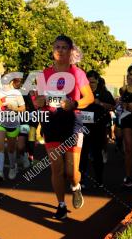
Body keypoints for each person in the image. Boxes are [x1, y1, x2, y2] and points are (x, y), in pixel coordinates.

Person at [35, 36, 95, 219]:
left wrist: (74, 104)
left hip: (72, 122)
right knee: (57, 168)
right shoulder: (44, 74)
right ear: (53, 50)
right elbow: (37, 100)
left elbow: (89, 98)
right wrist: (41, 101)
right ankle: (61, 204)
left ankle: (76, 187)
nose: (60, 50)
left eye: (64, 47)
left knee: (71, 171)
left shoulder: (77, 73)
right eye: (57, 47)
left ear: (70, 51)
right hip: (52, 121)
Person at [79, 71, 115, 188]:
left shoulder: (104, 93)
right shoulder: (81, 93)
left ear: (97, 81)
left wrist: (100, 103)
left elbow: (113, 106)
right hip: (83, 128)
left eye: (93, 82)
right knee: (82, 155)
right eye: (88, 82)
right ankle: (81, 180)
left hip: (98, 128)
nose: (91, 84)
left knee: (97, 155)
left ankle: (99, 181)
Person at [0, 70, 26, 181]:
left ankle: (13, 167)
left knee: (11, 149)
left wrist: (14, 108)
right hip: (0, 123)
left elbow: (23, 109)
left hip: (13, 124)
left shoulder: (17, 93)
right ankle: (0, 172)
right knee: (0, 146)